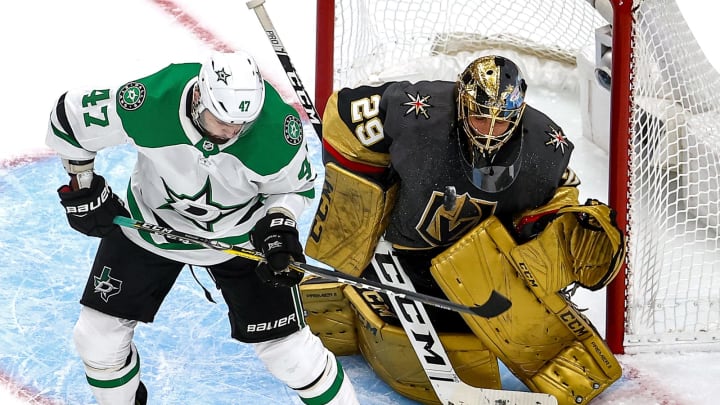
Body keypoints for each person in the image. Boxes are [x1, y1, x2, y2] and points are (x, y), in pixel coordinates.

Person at [301, 55, 626, 404]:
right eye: (480, 117)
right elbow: (341, 114)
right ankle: (352, 289)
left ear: (518, 115)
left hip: (476, 260)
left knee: (491, 329)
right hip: (403, 246)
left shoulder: (546, 145)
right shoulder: (415, 111)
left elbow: (559, 200)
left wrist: (551, 227)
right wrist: (368, 190)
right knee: (443, 342)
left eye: (500, 123)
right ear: (461, 103)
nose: (488, 130)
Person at [46, 50, 359, 405]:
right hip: (151, 225)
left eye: (242, 125)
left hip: (241, 237)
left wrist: (278, 225)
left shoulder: (276, 129)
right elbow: (68, 119)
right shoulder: (152, 100)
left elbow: (294, 188)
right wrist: (83, 185)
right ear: (198, 97)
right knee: (96, 339)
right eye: (221, 120)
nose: (231, 132)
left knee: (293, 357)